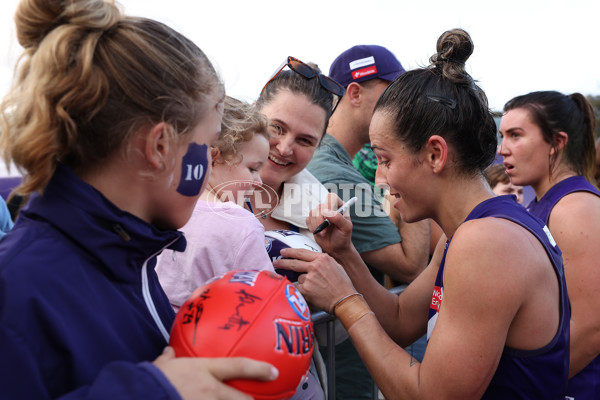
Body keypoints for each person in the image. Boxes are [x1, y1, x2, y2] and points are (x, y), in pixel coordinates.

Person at [0, 0, 277, 398]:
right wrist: (152, 391)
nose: (211, 163)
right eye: (209, 144)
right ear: (160, 146)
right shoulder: (16, 290)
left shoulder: (129, 259)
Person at [274, 28, 570, 399]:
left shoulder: (487, 243)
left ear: (435, 154)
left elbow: (429, 395)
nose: (379, 179)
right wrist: (347, 255)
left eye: (384, 159)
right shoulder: (467, 232)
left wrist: (344, 302)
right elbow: (400, 319)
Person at [305, 45, 430, 398]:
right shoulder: (335, 173)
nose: (402, 107)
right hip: (343, 364)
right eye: (391, 94)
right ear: (355, 92)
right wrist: (413, 165)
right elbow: (411, 262)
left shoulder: (334, 164)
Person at [499, 90, 600, 399]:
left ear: (557, 142)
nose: (503, 149)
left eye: (516, 135)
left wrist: (530, 389)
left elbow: (592, 325)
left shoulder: (575, 208)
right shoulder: (546, 203)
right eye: (502, 136)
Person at [156, 96, 273, 311]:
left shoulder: (159, 207)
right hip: (211, 341)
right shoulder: (241, 226)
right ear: (213, 157)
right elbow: (269, 302)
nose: (259, 182)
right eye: (253, 169)